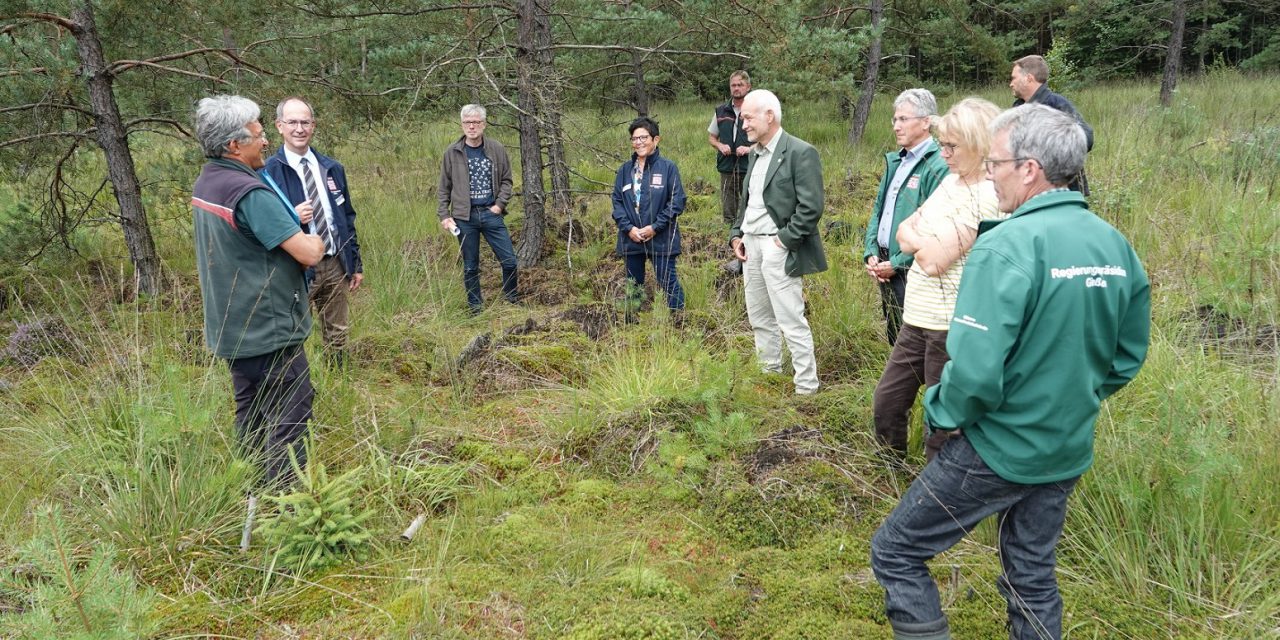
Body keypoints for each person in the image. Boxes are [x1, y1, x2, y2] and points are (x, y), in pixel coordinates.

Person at [870, 104, 1151, 640]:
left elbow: (973, 375)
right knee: (1032, 575)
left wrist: (939, 410)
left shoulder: (1005, 245)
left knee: (896, 552)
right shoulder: (1114, 246)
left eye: (997, 163)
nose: (991, 173)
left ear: (1030, 168)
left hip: (996, 448)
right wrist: (1067, 399)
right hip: (1065, 446)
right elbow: (1125, 358)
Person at [191, 95, 325, 487]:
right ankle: (286, 507)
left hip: (231, 329)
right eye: (258, 133)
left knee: (250, 411)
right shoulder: (247, 192)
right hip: (267, 329)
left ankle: (250, 492)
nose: (265, 141)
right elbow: (308, 251)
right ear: (234, 145)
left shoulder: (209, 181)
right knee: (291, 413)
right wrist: (312, 242)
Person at [871, 97, 1006, 461]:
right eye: (942, 144)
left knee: (942, 419)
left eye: (951, 146)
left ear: (979, 145)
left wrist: (920, 240)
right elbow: (904, 229)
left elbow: (932, 261)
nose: (942, 152)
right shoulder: (952, 182)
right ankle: (890, 469)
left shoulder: (989, 196)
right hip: (916, 317)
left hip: (951, 325)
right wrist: (922, 240)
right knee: (887, 401)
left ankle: (939, 497)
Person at [729, 89, 827, 395]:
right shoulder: (755, 155)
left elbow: (811, 208)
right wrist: (737, 234)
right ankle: (769, 374)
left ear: (769, 115)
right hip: (751, 246)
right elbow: (748, 203)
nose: (742, 124)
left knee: (790, 318)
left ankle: (806, 386)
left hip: (778, 247)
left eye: (747, 117)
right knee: (759, 316)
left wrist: (782, 242)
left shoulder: (800, 152)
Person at [261, 97, 364, 367]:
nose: (299, 128)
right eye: (292, 122)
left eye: (305, 122)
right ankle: (296, 388)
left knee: (338, 330)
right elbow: (262, 226)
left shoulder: (331, 168)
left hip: (334, 263)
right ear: (279, 126)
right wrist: (292, 217)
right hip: (294, 267)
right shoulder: (268, 172)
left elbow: (347, 219)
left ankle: (339, 378)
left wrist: (355, 263)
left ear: (313, 125)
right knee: (292, 331)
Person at [863, 89, 949, 346]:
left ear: (926, 122)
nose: (896, 126)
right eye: (894, 119)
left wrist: (898, 263)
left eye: (903, 119)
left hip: (913, 268)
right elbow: (879, 209)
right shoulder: (896, 161)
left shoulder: (938, 165)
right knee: (895, 335)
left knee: (915, 341)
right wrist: (871, 251)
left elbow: (935, 227)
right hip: (884, 262)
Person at [437, 104, 518, 315]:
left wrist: (499, 205)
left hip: (491, 214)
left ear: (484, 124)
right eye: (467, 122)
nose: (471, 127)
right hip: (464, 217)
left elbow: (507, 180)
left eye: (476, 122)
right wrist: (444, 215)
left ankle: (511, 299)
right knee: (471, 266)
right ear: (462, 124)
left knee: (509, 261)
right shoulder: (452, 153)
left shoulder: (496, 149)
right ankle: (476, 308)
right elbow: (444, 187)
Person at [610, 116, 687, 319]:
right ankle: (631, 322)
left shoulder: (668, 168)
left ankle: (678, 320)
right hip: (631, 238)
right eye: (635, 139)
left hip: (661, 238)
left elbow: (676, 202)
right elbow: (617, 202)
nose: (639, 142)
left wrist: (655, 227)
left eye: (643, 137)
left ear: (656, 139)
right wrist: (629, 229)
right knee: (632, 283)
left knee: (667, 280)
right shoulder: (625, 170)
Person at [1010, 54, 1093, 194]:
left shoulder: (1056, 104)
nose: (1011, 83)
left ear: (1028, 78)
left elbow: (1087, 138)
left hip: (1061, 191)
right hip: (1027, 190)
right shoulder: (1018, 108)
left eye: (1014, 78)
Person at [707, 71, 752, 225]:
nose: (736, 88)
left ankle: (748, 232)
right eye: (733, 85)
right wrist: (720, 145)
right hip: (727, 165)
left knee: (751, 204)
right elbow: (712, 138)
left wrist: (748, 149)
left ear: (748, 87)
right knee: (728, 209)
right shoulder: (721, 110)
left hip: (750, 166)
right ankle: (729, 236)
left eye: (740, 85)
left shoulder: (755, 110)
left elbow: (766, 141)